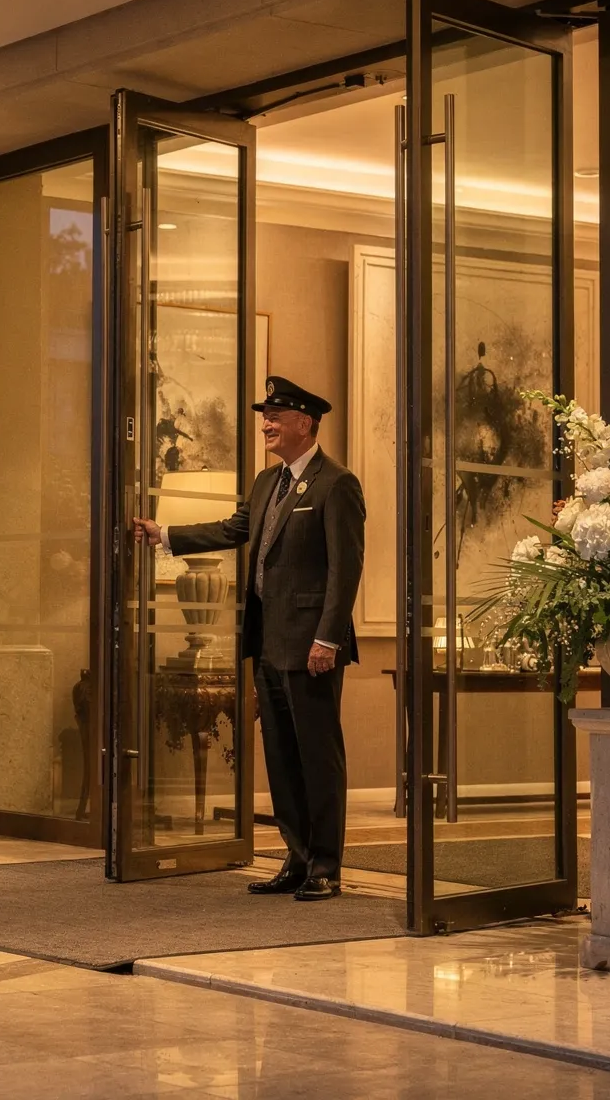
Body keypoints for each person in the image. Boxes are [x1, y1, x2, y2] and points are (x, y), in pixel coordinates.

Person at [133, 377, 365, 901]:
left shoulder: (337, 484)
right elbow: (233, 529)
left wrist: (328, 639)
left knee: (317, 758)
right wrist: (165, 536)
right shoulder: (267, 482)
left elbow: (345, 571)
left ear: (305, 422)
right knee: (282, 758)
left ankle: (326, 866)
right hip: (269, 644)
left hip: (312, 648)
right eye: (266, 415)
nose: (266, 423)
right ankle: (297, 857)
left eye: (275, 416)